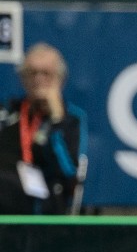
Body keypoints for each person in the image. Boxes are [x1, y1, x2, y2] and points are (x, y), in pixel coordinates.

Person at [0, 43, 83, 215]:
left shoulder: (71, 119)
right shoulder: (7, 113)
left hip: (47, 203)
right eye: (32, 73)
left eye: (46, 73)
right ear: (23, 79)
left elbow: (68, 173)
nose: (39, 79)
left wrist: (56, 121)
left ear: (60, 79)